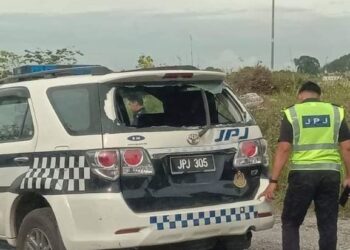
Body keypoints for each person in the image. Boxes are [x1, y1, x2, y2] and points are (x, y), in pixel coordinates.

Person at [259, 81, 350, 250]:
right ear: (319, 95)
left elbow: (284, 148)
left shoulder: (293, 112)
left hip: (302, 176)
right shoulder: (336, 112)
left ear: (300, 95)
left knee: (291, 222)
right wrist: (349, 176)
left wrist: (273, 181)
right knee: (328, 223)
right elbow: (347, 147)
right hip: (330, 175)